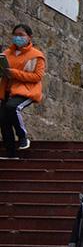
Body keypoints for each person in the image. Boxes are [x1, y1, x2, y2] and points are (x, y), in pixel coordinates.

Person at [0, 23, 45, 158]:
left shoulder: (36, 55)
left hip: (26, 91)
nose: (17, 37)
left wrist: (14, 73)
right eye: (15, 35)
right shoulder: (6, 53)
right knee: (3, 119)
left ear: (29, 37)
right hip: (7, 90)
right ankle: (10, 153)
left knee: (12, 107)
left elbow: (37, 76)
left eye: (21, 35)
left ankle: (23, 137)